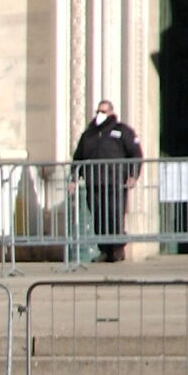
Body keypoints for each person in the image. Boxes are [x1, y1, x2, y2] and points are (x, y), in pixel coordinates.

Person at [73, 99, 144, 263]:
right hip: (94, 183)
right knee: (98, 217)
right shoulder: (89, 134)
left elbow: (135, 154)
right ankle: (104, 250)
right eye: (98, 111)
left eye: (103, 111)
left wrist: (133, 175)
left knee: (114, 216)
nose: (100, 114)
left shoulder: (122, 131)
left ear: (111, 113)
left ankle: (117, 249)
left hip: (115, 182)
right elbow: (78, 158)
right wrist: (74, 178)